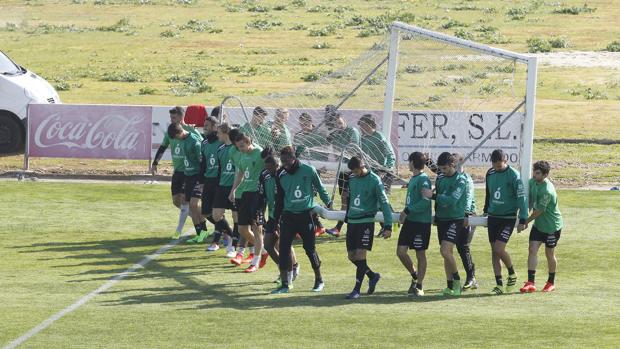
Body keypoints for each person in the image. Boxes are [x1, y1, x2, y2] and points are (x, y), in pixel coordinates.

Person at [271, 146, 332, 294]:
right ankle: (286, 284)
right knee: (284, 250)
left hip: (306, 216)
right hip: (288, 216)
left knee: (310, 250)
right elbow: (279, 199)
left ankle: (319, 280)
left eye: (287, 162)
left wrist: (328, 202)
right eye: (282, 162)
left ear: (294, 158)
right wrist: (275, 220)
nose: (285, 165)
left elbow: (320, 188)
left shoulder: (308, 170)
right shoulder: (280, 174)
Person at [343, 156, 393, 300]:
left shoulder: (375, 180)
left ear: (362, 166)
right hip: (352, 222)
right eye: (353, 171)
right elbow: (350, 198)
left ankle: (356, 290)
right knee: (351, 256)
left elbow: (384, 203)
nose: (354, 173)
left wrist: (388, 225)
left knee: (360, 255)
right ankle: (372, 276)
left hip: (365, 222)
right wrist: (347, 217)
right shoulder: (351, 179)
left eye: (356, 170)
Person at [151, 106, 200, 239]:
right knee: (176, 201)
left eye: (174, 117)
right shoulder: (171, 132)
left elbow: (202, 146)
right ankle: (201, 217)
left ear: (181, 117)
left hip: (189, 172)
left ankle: (179, 230)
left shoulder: (191, 132)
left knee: (185, 201)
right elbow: (163, 146)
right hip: (177, 171)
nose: (171, 120)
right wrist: (155, 163)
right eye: (171, 117)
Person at [484, 149, 529, 295]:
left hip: (508, 218)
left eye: (500, 165)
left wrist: (523, 217)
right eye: (495, 165)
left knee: (499, 249)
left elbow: (521, 197)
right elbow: (488, 193)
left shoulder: (514, 176)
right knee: (494, 252)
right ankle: (499, 285)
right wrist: (486, 209)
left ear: (506, 161)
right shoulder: (490, 174)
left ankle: (512, 273)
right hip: (493, 217)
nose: (497, 168)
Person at [258, 148, 300, 287]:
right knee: (269, 245)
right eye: (267, 167)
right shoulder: (264, 175)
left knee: (284, 245)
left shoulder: (285, 175)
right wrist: (261, 214)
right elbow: (262, 197)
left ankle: (293, 268)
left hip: (285, 215)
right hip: (272, 216)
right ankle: (284, 269)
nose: (270, 171)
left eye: (272, 168)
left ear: (278, 165)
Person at [520, 161, 563, 293]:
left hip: (552, 227)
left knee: (549, 253)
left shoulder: (548, 190)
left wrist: (525, 221)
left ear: (545, 175)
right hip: (538, 225)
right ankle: (530, 282)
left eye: (538, 173)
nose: (534, 174)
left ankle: (551, 282)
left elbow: (539, 211)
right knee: (532, 249)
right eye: (534, 171)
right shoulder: (532, 182)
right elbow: (529, 199)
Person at [230, 132, 269, 273]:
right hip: (246, 194)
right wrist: (233, 190)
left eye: (242, 146)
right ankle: (264, 250)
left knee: (257, 229)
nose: (240, 149)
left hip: (258, 195)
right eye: (238, 147)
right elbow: (240, 172)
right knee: (242, 229)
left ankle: (255, 262)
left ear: (248, 142)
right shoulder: (242, 155)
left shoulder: (259, 152)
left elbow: (271, 166)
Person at [397, 152, 433, 296]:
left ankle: (419, 285)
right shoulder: (414, 178)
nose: (408, 164)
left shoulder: (423, 179)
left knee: (420, 254)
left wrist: (407, 210)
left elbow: (425, 202)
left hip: (421, 223)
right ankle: (415, 275)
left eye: (409, 161)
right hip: (410, 222)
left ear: (412, 162)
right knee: (400, 252)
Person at [433, 152, 468, 296]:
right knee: (447, 254)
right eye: (440, 169)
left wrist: (434, 196)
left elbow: (452, 200)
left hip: (455, 219)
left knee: (445, 251)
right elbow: (439, 201)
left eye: (445, 169)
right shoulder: (440, 179)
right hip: (442, 219)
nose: (442, 171)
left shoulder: (460, 180)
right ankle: (449, 286)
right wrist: (436, 215)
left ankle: (457, 281)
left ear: (452, 165)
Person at [167, 122, 208, 242]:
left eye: (176, 137)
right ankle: (200, 233)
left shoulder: (194, 142)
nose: (176, 140)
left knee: (194, 205)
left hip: (196, 177)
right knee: (189, 205)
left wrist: (201, 180)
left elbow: (201, 162)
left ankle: (205, 231)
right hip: (187, 175)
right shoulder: (182, 140)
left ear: (179, 132)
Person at [211, 124, 241, 259]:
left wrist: (235, 189)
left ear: (226, 133)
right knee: (216, 215)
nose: (217, 135)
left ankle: (233, 247)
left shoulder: (237, 150)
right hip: (222, 187)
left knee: (237, 218)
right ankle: (231, 235)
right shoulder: (220, 149)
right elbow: (220, 169)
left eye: (219, 133)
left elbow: (240, 171)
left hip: (235, 187)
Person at [201, 115, 224, 251]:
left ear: (215, 127)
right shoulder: (204, 143)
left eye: (207, 125)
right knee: (205, 212)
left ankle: (216, 241)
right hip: (208, 181)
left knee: (217, 212)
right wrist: (201, 181)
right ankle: (229, 232)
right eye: (204, 125)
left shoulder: (221, 143)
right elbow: (203, 163)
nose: (204, 127)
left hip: (219, 181)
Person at [357, 114, 396, 193]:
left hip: (382, 171)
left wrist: (385, 170)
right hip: (370, 171)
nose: (361, 128)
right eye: (360, 125)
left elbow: (390, 155)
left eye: (363, 125)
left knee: (381, 198)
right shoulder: (362, 139)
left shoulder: (379, 137)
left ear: (370, 125)